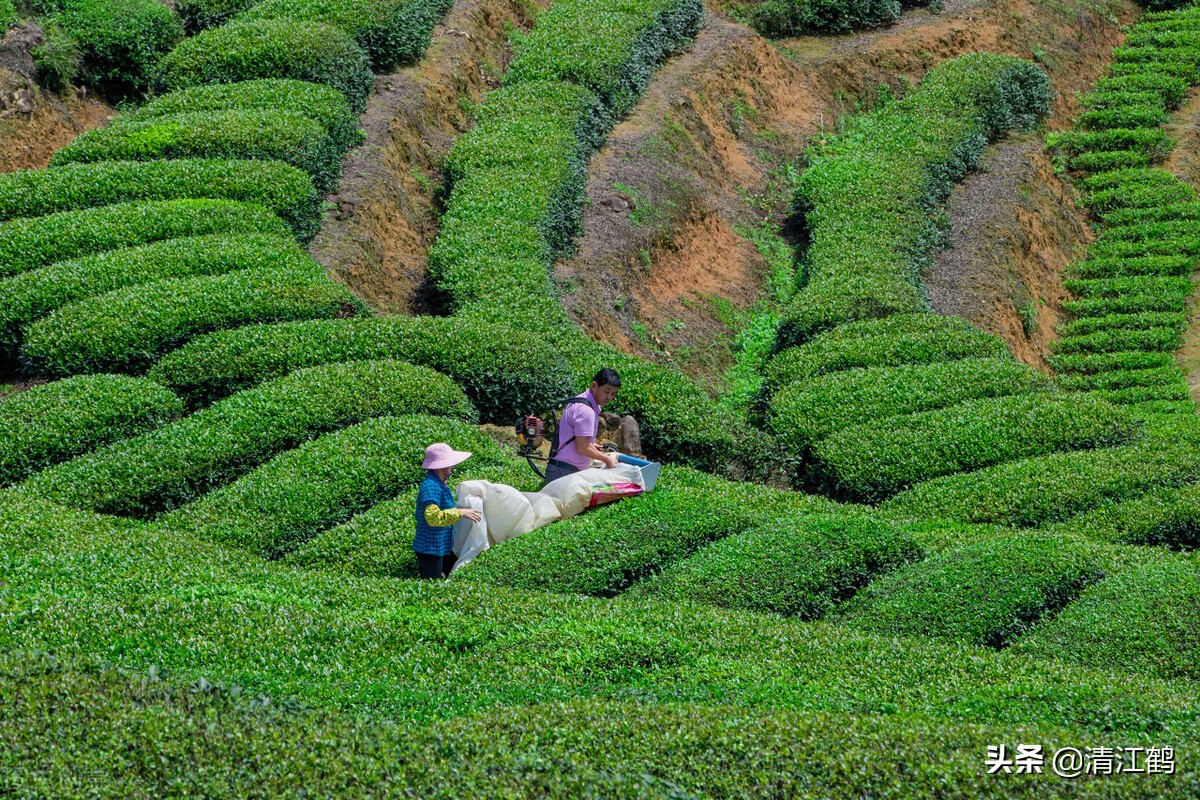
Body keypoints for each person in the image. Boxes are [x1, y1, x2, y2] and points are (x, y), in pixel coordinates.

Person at [413, 442, 482, 580]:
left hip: (441, 545)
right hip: (430, 549)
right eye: (450, 465)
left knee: (454, 574)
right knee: (432, 585)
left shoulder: (439, 484)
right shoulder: (430, 486)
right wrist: (460, 513)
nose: (452, 468)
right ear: (442, 467)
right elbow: (433, 517)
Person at [543, 367, 621, 485]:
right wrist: (607, 460)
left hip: (559, 468)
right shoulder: (586, 411)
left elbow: (574, 436)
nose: (609, 397)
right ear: (594, 386)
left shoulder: (579, 400)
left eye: (613, 394)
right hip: (565, 472)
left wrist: (590, 444)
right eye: (606, 391)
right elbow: (582, 448)